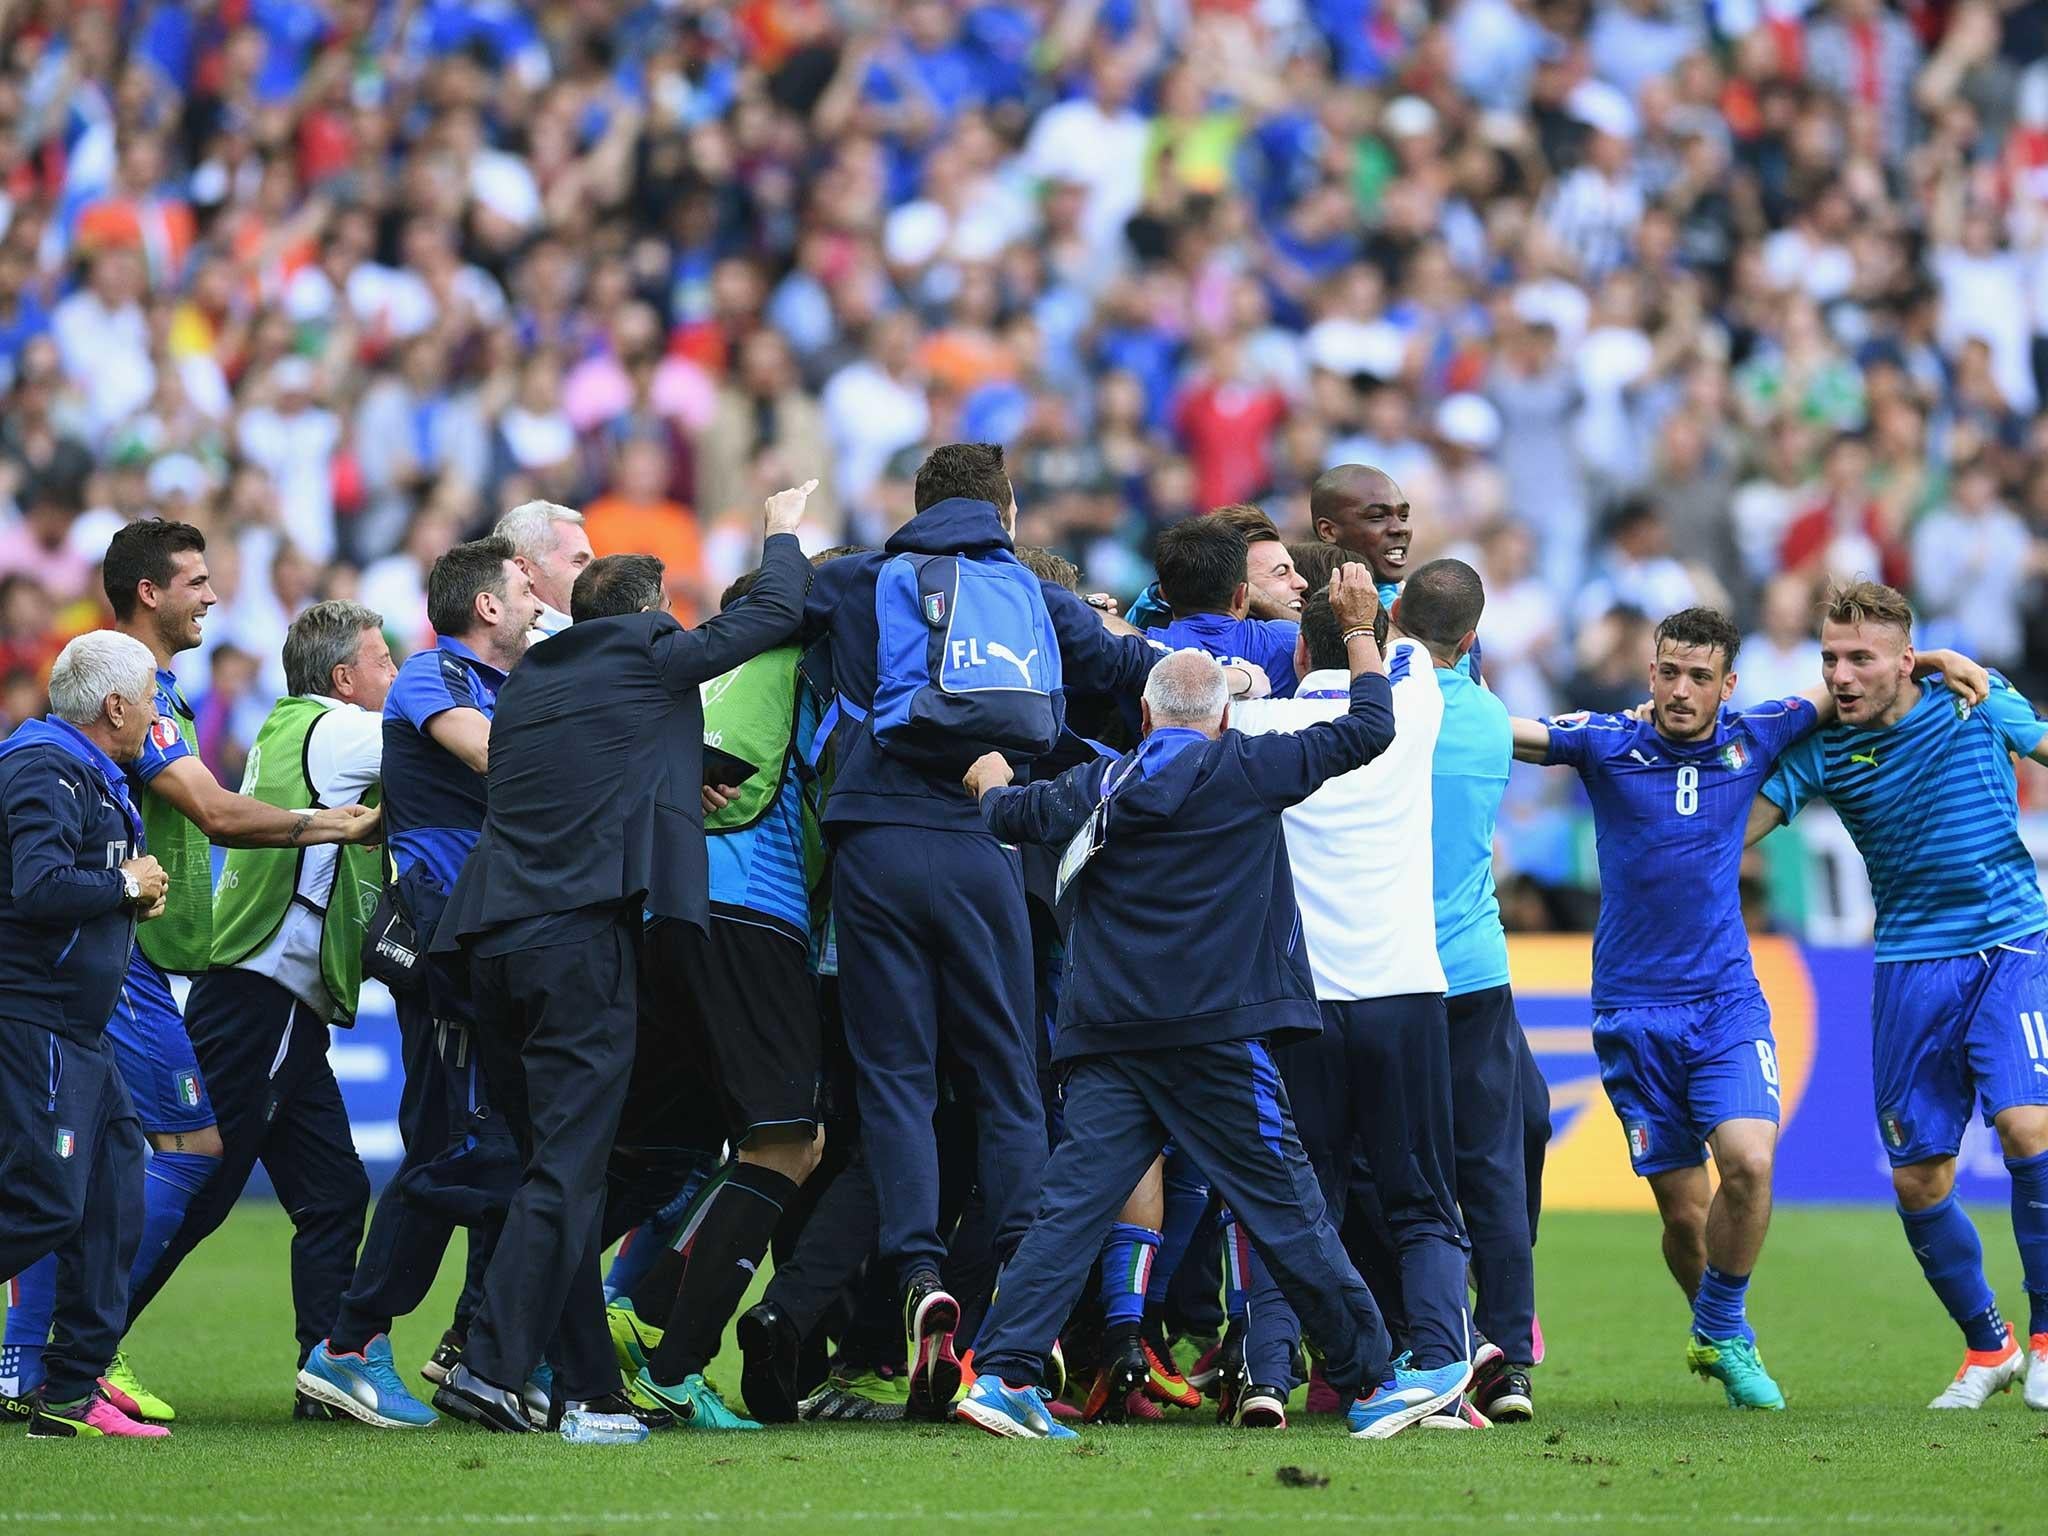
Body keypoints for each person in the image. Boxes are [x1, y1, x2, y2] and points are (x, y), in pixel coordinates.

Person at [953, 577, 1474, 1442]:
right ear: (1221, 718)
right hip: (1214, 1039)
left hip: (1109, 1036)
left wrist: (986, 779)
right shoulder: (1249, 768)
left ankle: (1004, 1375)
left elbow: (1010, 813)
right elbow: (1371, 729)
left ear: (1149, 719)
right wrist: (1355, 635)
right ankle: (1377, 1381)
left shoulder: (1099, 784)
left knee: (1073, 1209)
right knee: (1289, 1207)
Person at [1511, 605, 1986, 1411]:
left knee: (1752, 1162)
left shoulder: (1758, 732)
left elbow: (1845, 684)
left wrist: (1929, 655)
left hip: (1727, 1002)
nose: (1682, 690)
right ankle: (1723, 1332)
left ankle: (1724, 1327)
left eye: (1701, 677)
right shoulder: (1606, 740)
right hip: (1631, 1014)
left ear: (1728, 685)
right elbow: (1516, 733)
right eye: (1669, 672)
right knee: (1685, 1213)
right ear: (1650, 673)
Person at [795, 443, 1176, 1419]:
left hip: (872, 840)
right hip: (980, 842)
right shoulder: (1037, 600)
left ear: (917, 508)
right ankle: (1021, 1305)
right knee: (1006, 1082)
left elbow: (760, 618)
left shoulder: (859, 583)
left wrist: (771, 542)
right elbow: (1136, 676)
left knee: (896, 1082)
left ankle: (921, 1275)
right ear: (1005, 512)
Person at [430, 481, 816, 1445]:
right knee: (568, 1174)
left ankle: (584, 1391)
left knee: (555, 1174)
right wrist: (781, 528)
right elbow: (771, 612)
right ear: (650, 619)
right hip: (577, 943)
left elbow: (585, 779)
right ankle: (488, 1368)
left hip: (491, 946)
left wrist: (681, 766)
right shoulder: (646, 653)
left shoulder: (531, 687)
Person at [2, 521, 375, 1426]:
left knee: (108, 1162)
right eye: (196, 581)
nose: (212, 595)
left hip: (136, 954)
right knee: (179, 1152)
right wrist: (329, 824)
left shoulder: (153, 686)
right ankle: (65, 1352)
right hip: (119, 956)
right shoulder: (124, 691)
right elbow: (211, 811)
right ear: (147, 593)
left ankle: (52, 1355)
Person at [1748, 580, 2048, 1411]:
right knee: (1919, 1177)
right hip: (1910, 965)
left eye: (1859, 659)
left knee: (2029, 1128)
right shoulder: (1820, 748)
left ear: (1905, 660)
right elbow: (1734, 834)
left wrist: (1974, 670)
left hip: (2010, 943)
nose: (1841, 675)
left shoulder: (1974, 698)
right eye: (1830, 659)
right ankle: (1989, 1346)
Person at [123, 604, 393, 1411]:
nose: (396, 678)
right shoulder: (345, 729)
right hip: (265, 993)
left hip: (271, 999)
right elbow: (446, 736)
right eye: (384, 661)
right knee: (201, 1185)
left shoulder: (291, 725)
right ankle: (73, 1348)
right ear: (343, 678)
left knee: (336, 1190)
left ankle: (327, 1369)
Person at [1231, 576, 1470, 1429]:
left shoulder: (1262, 731)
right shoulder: (1413, 704)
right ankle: (1442, 1365)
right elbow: (1407, 641)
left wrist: (1258, 669)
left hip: (1300, 1002)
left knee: (1297, 1200)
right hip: (1401, 991)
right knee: (1421, 1200)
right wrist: (1360, 616)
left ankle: (1265, 1375)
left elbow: (1209, 693)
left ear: (1298, 652)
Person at [624, 551, 848, 1431]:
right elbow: (736, 779)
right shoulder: (779, 668)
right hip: (750, 910)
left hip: (665, 913)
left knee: (649, 1147)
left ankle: (508, 1335)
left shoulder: (699, 677)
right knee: (790, 1144)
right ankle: (674, 1366)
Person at [323, 537, 534, 1405]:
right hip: (445, 936)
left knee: (508, 1144)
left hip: (494, 932)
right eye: (524, 587)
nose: (534, 601)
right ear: (486, 605)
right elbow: (493, 758)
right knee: (455, 1148)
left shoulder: (511, 685)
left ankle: (476, 1343)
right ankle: (349, 1342)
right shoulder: (429, 677)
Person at [0, 631, 168, 1439]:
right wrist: (120, 883)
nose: (156, 712)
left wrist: (124, 895)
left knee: (113, 1206)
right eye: (149, 698)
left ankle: (68, 1394)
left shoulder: (89, 770)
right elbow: (38, 887)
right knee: (45, 1205)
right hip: (40, 1020)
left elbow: (81, 882)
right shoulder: (40, 766)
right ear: (114, 707)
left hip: (83, 1030)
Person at [1411, 559, 1543, 1422]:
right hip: (1476, 973)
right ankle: (1511, 1360)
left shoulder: (1375, 710)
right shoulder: (1490, 720)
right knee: (1491, 1168)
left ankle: (1419, 1346)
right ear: (1471, 642)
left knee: (1390, 1171)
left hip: (1385, 975)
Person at [1142, 518, 1302, 698]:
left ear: (1163, 594)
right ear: (1242, 594)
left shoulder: (1142, 652)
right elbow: (1326, 637)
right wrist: (1265, 602)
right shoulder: (1290, 641)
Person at [493, 500, 593, 642]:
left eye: (593, 564)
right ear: (523, 570)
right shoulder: (517, 645)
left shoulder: (598, 630)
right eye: (578, 562)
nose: (595, 574)